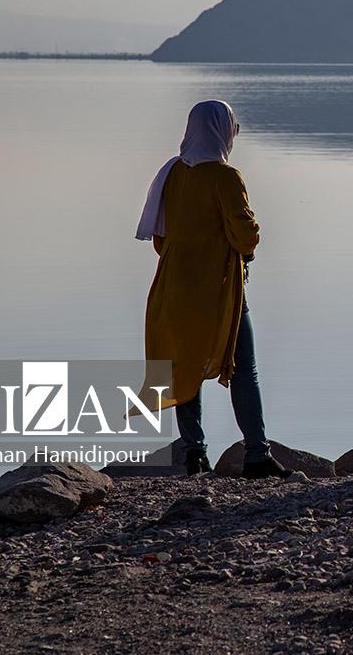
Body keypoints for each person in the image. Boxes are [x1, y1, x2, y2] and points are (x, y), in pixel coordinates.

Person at [135, 99, 290, 478]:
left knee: (184, 366)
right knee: (243, 368)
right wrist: (248, 240)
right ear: (224, 130)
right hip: (220, 291)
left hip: (173, 286)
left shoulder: (171, 174)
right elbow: (244, 237)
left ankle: (193, 453)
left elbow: (160, 236)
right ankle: (256, 455)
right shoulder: (225, 177)